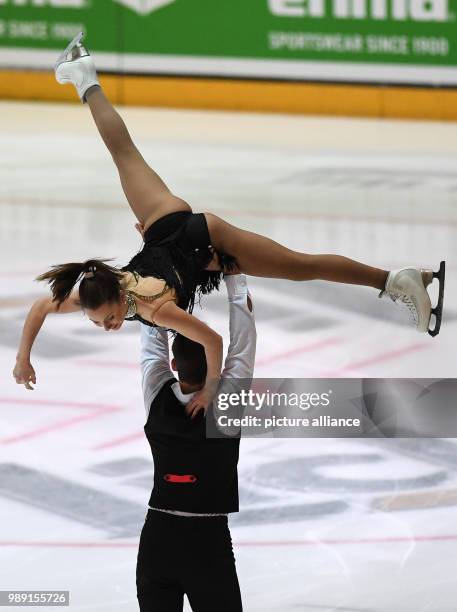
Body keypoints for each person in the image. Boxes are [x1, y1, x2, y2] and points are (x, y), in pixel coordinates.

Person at [13, 32, 445, 397]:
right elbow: (38, 308)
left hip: (202, 237)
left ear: (115, 297)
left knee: (299, 266)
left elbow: (211, 339)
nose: (107, 327)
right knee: (122, 153)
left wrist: (209, 388)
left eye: (107, 318)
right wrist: (22, 358)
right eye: (99, 323)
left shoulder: (154, 309)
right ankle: (84, 75)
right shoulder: (101, 291)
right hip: (162, 226)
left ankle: (391, 280)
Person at [136, 271, 256, 611]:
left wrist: (155, 272)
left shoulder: (157, 393)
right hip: (207, 544)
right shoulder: (227, 400)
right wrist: (234, 273)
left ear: (174, 365)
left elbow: (151, 336)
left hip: (157, 539)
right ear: (214, 367)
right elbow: (244, 335)